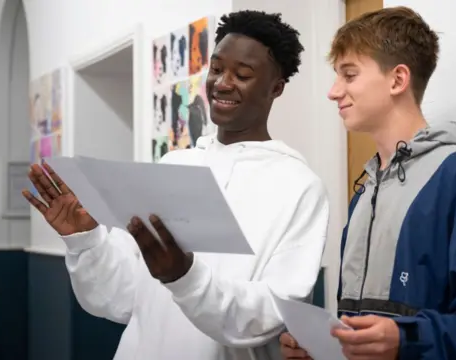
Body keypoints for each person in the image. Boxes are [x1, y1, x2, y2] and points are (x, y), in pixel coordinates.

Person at [24, 10, 330, 360]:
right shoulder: (175, 165)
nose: (223, 83)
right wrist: (86, 239)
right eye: (216, 69)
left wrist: (184, 277)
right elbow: (121, 298)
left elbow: (272, 313)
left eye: (242, 74)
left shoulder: (297, 186)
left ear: (276, 88)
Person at [280, 6, 456, 360]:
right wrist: (326, 349)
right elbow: (367, 338)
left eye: (349, 75)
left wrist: (407, 341)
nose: (333, 91)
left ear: (398, 80)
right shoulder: (365, 193)